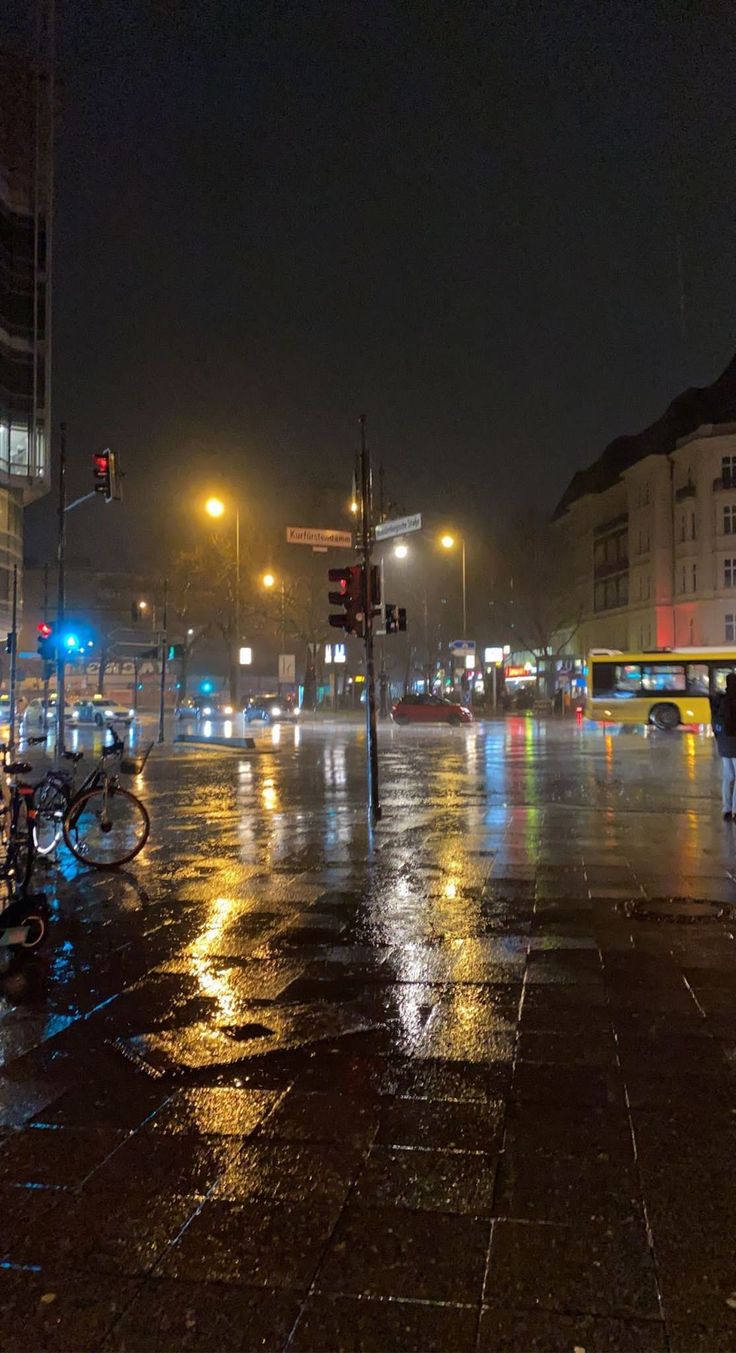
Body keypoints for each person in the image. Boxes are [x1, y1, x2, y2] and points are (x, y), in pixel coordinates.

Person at [711, 673, 736, 820]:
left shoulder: (720, 700)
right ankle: (735, 810)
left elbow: (714, 722)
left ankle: (726, 808)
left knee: (728, 776)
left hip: (724, 744)